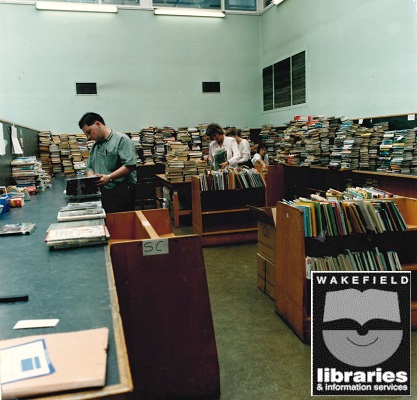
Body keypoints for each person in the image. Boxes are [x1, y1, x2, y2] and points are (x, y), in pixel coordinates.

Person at [78, 112, 137, 214]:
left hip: (121, 193)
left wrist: (109, 177)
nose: (88, 137)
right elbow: (89, 167)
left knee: (122, 226)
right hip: (102, 193)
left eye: (89, 132)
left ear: (98, 124)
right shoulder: (95, 146)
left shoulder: (122, 140)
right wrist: (91, 179)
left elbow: (130, 165)